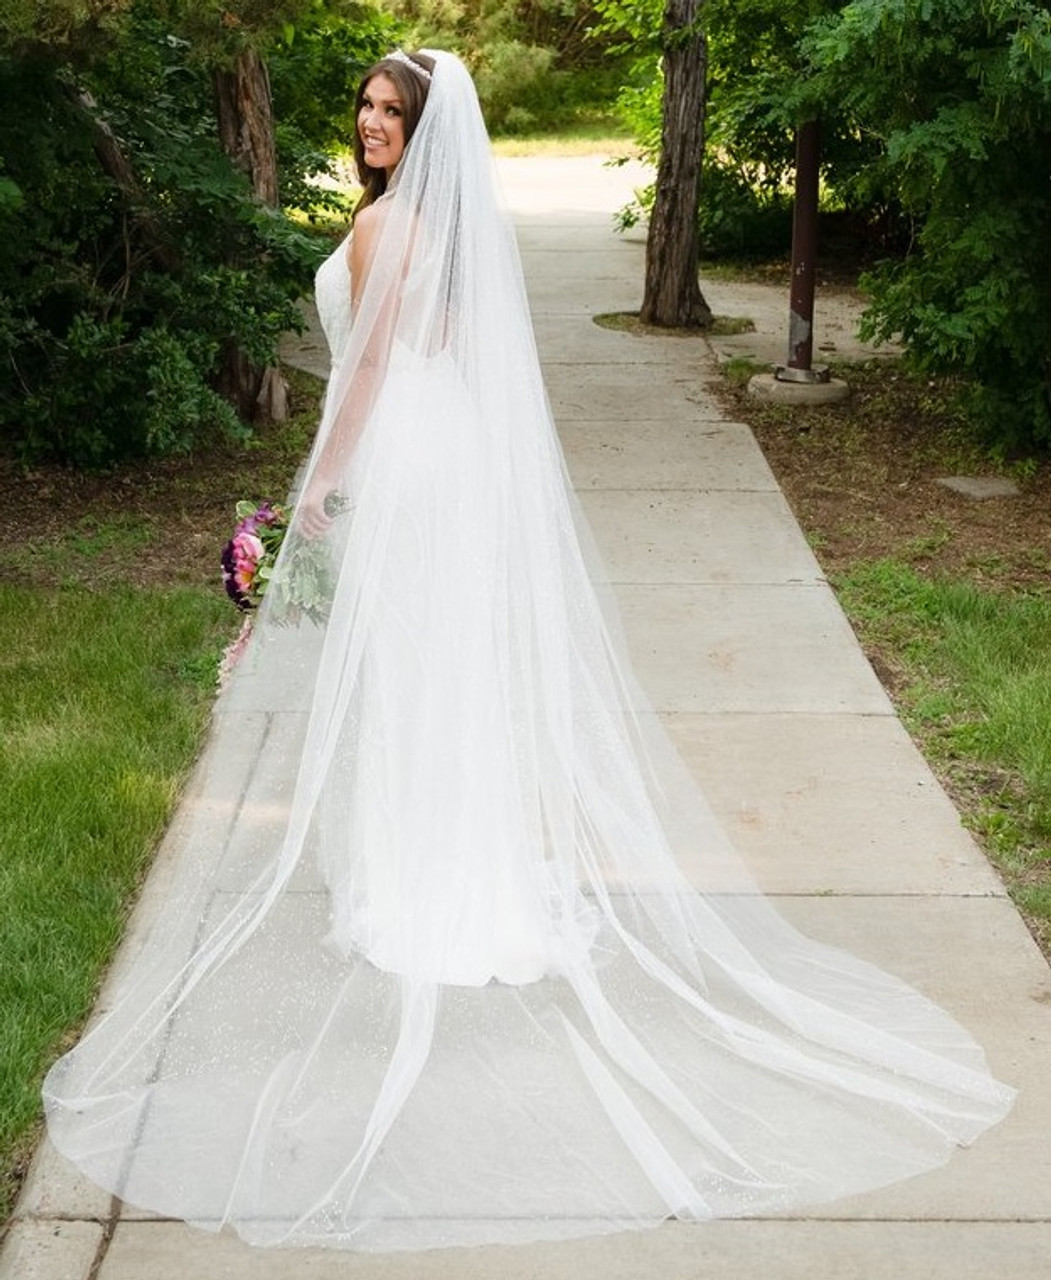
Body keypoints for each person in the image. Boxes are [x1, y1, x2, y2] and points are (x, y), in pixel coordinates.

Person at [43, 49, 1014, 1253]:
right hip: (442, 453)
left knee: (409, 681)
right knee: (433, 679)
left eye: (394, 110)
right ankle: (453, 868)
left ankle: (421, 886)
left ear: (427, 129)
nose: (371, 121)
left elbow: (364, 377)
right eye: (365, 104)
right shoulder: (425, 225)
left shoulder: (387, 230)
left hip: (401, 458)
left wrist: (316, 497)